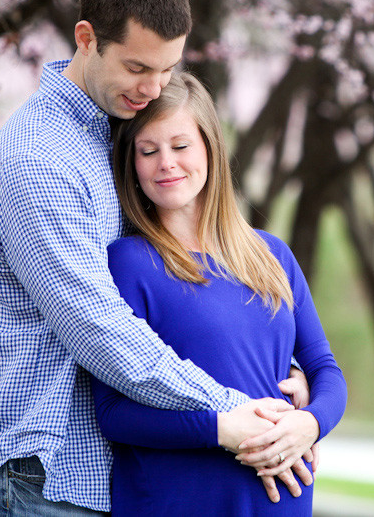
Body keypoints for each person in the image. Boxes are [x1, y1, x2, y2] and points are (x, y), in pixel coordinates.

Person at [0, 0, 315, 517]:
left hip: (91, 483)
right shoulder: (40, 162)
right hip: (36, 476)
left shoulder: (111, 139)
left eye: (167, 70)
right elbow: (100, 329)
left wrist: (277, 377)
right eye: (138, 67)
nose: (153, 87)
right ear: (87, 39)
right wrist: (242, 414)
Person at [90, 72, 347, 515]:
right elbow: (113, 412)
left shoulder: (273, 255)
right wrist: (219, 429)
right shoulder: (128, 263)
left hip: (278, 502)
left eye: (180, 146)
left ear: (210, 148)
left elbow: (326, 370)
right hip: (176, 502)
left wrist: (309, 424)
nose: (166, 163)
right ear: (132, 165)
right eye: (148, 151)